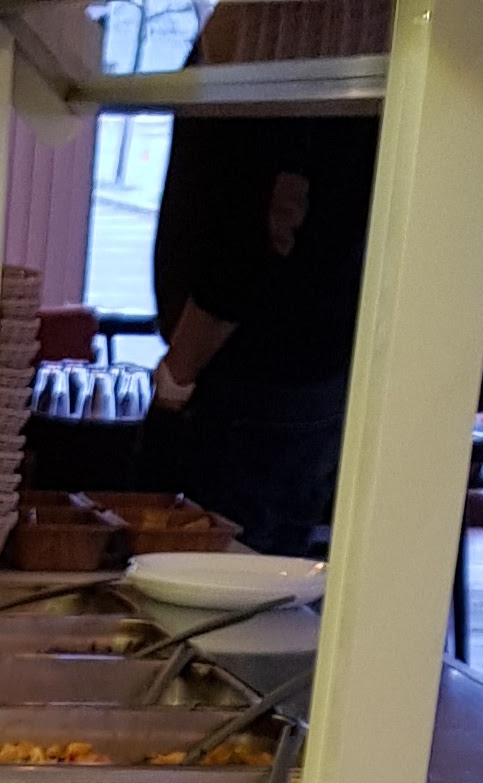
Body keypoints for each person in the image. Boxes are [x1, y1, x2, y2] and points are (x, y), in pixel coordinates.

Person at [139, 90, 381, 555]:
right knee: (271, 570)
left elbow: (261, 228)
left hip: (251, 373)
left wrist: (178, 372)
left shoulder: (276, 61)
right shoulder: (346, 73)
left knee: (221, 572)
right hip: (317, 363)